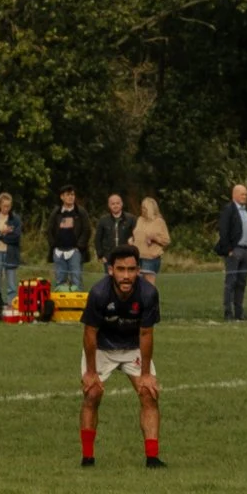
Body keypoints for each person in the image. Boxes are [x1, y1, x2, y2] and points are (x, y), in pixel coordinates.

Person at [79, 246, 163, 468]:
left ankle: (152, 459)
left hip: (133, 346)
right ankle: (88, 458)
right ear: (110, 270)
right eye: (121, 269)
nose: (126, 276)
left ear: (138, 270)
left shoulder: (148, 293)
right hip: (102, 348)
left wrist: (145, 374)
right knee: (92, 393)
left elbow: (146, 333)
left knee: (148, 394)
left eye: (131, 269)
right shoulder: (98, 293)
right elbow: (89, 333)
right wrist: (90, 372)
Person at [216, 184, 247, 321]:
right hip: (235, 250)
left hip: (246, 250)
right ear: (235, 195)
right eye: (242, 194)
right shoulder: (229, 210)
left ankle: (239, 311)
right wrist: (228, 250)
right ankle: (228, 312)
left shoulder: (246, 210)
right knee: (230, 282)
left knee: (242, 283)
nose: (245, 196)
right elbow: (223, 230)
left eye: (246, 194)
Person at [48, 189, 88, 290]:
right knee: (60, 280)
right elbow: (49, 229)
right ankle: (61, 304)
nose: (71, 197)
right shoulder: (56, 212)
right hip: (59, 252)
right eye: (68, 195)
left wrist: (79, 246)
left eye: (73, 194)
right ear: (62, 197)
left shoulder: (80, 212)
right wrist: (53, 245)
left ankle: (77, 304)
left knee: (76, 281)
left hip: (75, 251)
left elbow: (87, 229)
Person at [134, 196, 171, 276]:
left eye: (144, 208)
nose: (142, 210)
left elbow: (167, 241)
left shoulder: (159, 222)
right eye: (142, 208)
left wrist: (155, 238)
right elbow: (137, 234)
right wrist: (132, 240)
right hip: (137, 257)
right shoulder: (140, 219)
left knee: (148, 286)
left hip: (150, 258)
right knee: (137, 285)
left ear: (150, 209)